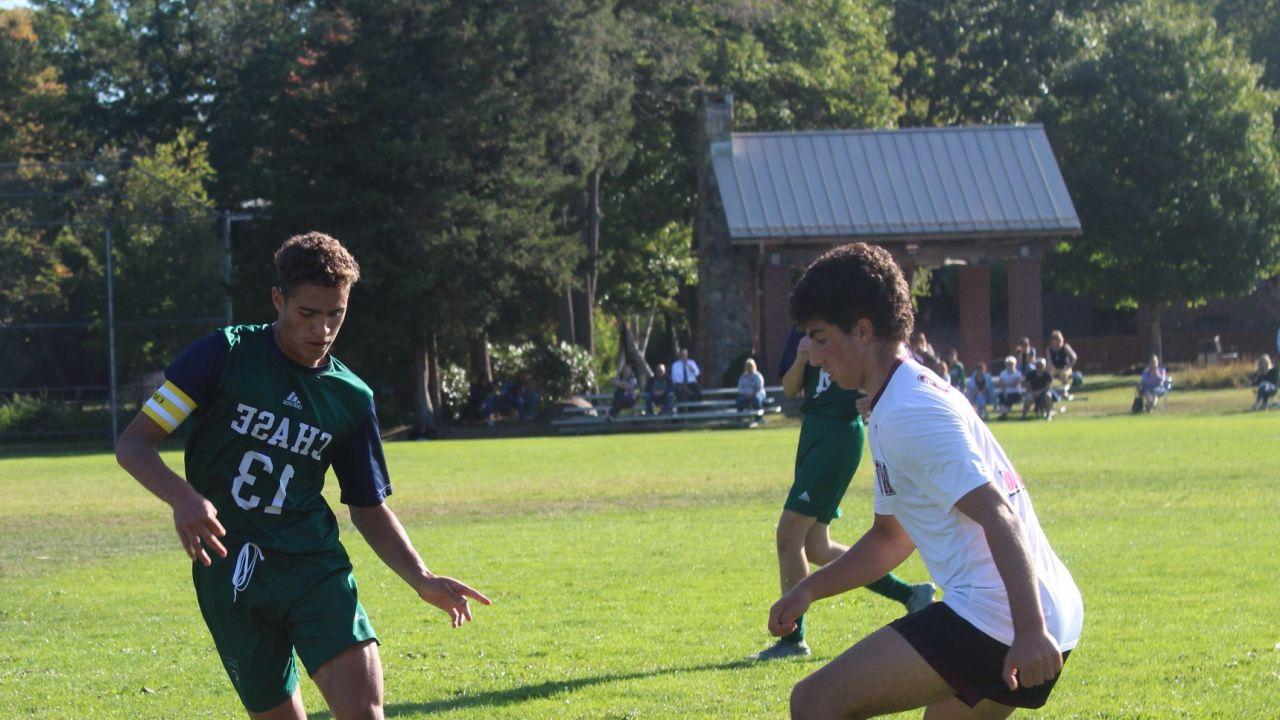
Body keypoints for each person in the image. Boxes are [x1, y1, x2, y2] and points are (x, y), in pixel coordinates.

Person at [114, 232, 490, 719]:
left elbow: (368, 508)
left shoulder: (351, 398)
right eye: (308, 314)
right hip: (231, 572)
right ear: (278, 299)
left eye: (336, 313)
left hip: (313, 567)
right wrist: (183, 498)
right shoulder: (222, 356)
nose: (323, 329)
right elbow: (132, 444)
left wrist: (421, 578)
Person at [770, 242, 1083, 719]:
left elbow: (998, 513)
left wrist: (1029, 629)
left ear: (863, 331)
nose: (812, 355)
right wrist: (809, 589)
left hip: (1001, 616)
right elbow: (891, 538)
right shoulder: (901, 395)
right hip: (1038, 611)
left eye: (820, 336)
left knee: (814, 703)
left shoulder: (906, 412)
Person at [754, 328, 934, 661]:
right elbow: (792, 390)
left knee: (788, 536)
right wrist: (800, 356)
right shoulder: (802, 331)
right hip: (812, 431)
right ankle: (910, 594)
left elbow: (895, 363)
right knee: (815, 545)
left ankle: (794, 640)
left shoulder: (849, 325)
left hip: (839, 433)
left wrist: (876, 396)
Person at [1045, 331, 1078, 400]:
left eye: (1056, 339)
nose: (1055, 341)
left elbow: (1074, 357)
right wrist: (1050, 368)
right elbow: (1049, 361)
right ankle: (1049, 391)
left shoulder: (1065, 347)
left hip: (1065, 368)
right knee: (1048, 374)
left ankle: (1065, 392)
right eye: (1053, 339)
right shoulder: (1049, 349)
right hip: (1055, 369)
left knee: (1063, 374)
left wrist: (1069, 366)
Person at [995, 356, 1024, 421]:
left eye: (1011, 364)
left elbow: (1014, 384)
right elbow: (1000, 383)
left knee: (1010, 398)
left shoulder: (1018, 373)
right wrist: (1006, 387)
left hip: (1015, 393)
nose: (1009, 365)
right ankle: (1004, 414)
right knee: (1001, 397)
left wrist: (1005, 384)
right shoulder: (1003, 373)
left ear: (1014, 364)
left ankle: (1003, 415)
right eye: (1008, 364)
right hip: (1005, 392)